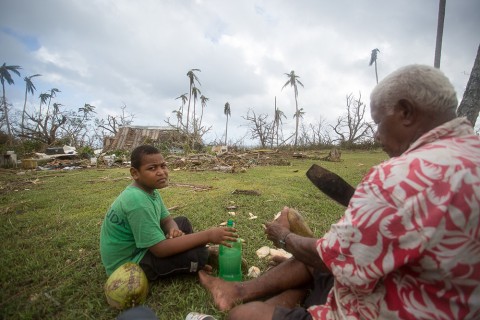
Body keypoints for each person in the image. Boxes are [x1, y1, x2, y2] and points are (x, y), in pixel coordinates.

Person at [199, 64, 480, 319]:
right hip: (441, 296)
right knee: (312, 261)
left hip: (381, 309)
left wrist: (283, 236)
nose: (376, 135)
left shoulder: (397, 177)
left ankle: (251, 300)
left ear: (405, 112)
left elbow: (328, 256)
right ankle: (241, 291)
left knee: (244, 317)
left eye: (379, 122)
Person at [100, 145, 237, 280]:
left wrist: (174, 231)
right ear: (135, 173)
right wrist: (208, 235)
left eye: (163, 166)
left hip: (141, 246)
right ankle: (198, 261)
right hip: (129, 264)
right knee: (198, 254)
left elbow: (166, 220)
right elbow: (160, 250)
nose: (161, 172)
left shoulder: (149, 191)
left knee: (182, 222)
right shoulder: (137, 201)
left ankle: (196, 259)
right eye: (152, 168)